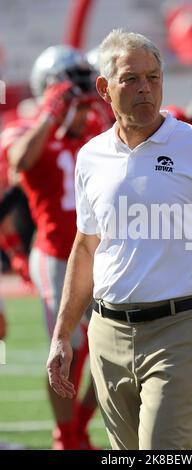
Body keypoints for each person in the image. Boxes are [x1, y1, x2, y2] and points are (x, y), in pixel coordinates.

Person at [47, 29, 192, 451]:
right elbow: (86, 247)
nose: (146, 88)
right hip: (107, 332)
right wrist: (62, 334)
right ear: (104, 88)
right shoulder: (90, 157)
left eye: (154, 77)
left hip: (180, 328)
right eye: (131, 79)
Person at [7, 45, 105, 450]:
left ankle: (76, 428)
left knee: (114, 352)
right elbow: (19, 163)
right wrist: (50, 114)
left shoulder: (99, 129)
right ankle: (68, 437)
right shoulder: (26, 130)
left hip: (101, 255)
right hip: (54, 257)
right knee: (68, 349)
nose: (81, 103)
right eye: (72, 92)